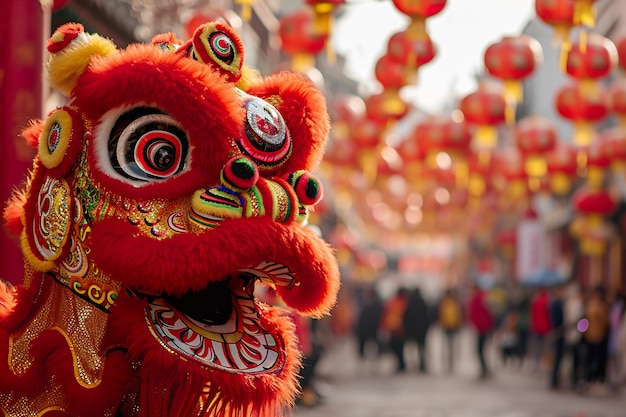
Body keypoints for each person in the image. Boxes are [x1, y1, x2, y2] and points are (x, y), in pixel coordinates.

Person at [581, 285, 610, 392]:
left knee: (596, 360)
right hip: (592, 336)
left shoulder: (600, 306)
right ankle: (589, 379)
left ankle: (594, 379)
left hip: (597, 337)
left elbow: (606, 322)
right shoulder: (594, 305)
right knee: (591, 360)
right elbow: (585, 320)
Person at [468, 282, 495, 379]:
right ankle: (484, 369)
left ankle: (485, 369)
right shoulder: (478, 298)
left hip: (484, 328)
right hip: (480, 328)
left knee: (480, 350)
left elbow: (490, 311)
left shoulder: (482, 298)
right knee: (481, 350)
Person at [403, 287, 431, 373]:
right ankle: (422, 364)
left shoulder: (410, 302)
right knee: (421, 348)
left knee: (411, 347)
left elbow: (406, 316)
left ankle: (411, 364)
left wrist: (407, 327)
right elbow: (427, 316)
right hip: (422, 330)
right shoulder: (422, 302)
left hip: (412, 330)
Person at [381, 287, 409, 372]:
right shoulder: (406, 302)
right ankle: (402, 364)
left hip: (393, 329)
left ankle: (401, 364)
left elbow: (385, 315)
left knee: (396, 348)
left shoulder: (392, 302)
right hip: (401, 329)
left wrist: (384, 327)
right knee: (400, 348)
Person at [355, 285, 384, 363]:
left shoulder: (367, 306)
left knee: (364, 348)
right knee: (377, 347)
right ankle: (376, 362)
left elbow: (362, 320)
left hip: (367, 330)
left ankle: (364, 362)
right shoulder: (379, 305)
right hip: (375, 330)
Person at [437, 288, 463, 372]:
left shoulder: (451, 302)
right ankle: (448, 362)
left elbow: (458, 314)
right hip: (447, 326)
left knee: (450, 345)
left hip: (452, 326)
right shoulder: (447, 303)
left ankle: (451, 362)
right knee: (448, 345)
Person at [530, 286, 553, 371]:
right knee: (547, 347)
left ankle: (536, 364)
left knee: (537, 346)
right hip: (546, 328)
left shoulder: (535, 301)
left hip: (537, 327)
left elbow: (532, 315)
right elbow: (550, 316)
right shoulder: (548, 301)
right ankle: (547, 363)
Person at [548, 284, 566, 390]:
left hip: (556, 332)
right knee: (557, 358)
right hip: (558, 333)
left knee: (557, 358)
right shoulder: (556, 303)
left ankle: (555, 380)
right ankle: (554, 381)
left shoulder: (554, 303)